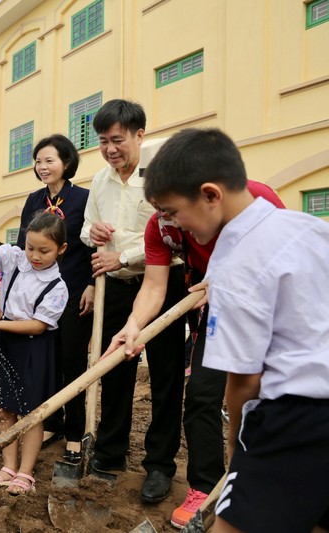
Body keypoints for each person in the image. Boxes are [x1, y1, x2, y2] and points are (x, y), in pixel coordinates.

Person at [142, 127, 329, 533]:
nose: (173, 223)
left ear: (210, 194)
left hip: (297, 415)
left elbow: (244, 379)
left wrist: (238, 443)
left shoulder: (233, 262)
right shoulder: (309, 228)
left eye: (174, 211)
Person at [106, 173, 284, 526]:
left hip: (277, 310)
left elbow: (285, 258)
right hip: (218, 311)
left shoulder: (255, 200)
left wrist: (235, 277)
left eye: (172, 208)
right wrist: (133, 325)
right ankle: (207, 486)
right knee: (202, 395)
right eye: (158, 208)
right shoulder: (161, 227)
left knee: (273, 400)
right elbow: (154, 288)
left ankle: (270, 480)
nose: (165, 218)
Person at [80, 100, 187, 504]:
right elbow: (88, 229)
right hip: (118, 286)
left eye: (118, 140)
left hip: (163, 282)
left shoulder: (162, 166)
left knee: (165, 373)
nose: (110, 149)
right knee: (114, 368)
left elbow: (174, 230)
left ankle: (160, 465)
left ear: (140, 135)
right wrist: (96, 231)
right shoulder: (100, 180)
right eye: (104, 141)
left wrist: (122, 255)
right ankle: (110, 452)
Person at [0, 211, 68, 495]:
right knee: (4, 409)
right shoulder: (16, 259)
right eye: (30, 248)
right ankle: (8, 467)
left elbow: (38, 326)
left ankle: (25, 473)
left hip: (33, 348)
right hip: (5, 343)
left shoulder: (57, 287)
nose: (35, 256)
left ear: (61, 249)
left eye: (44, 251)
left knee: (31, 414)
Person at [17, 133, 94, 462]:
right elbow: (25, 249)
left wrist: (92, 283)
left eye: (49, 160)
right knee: (44, 361)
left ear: (67, 163)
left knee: (71, 361)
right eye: (38, 161)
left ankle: (76, 429)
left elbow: (95, 245)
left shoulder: (84, 199)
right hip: (39, 294)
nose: (42, 166)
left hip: (75, 291)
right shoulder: (34, 200)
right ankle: (52, 421)